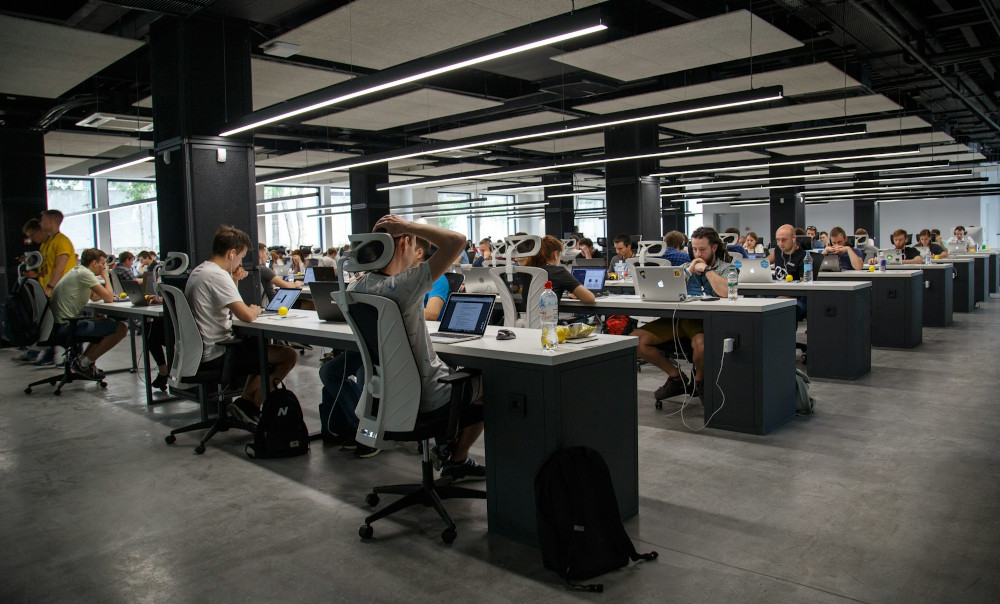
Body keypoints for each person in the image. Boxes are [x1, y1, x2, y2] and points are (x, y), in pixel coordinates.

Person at [349, 215, 486, 481]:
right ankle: (457, 459)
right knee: (492, 382)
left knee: (454, 373)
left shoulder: (357, 287)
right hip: (429, 397)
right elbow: (457, 241)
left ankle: (447, 445)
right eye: (413, 242)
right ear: (404, 244)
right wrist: (407, 226)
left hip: (387, 397)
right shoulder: (402, 285)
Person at [186, 226, 298, 426]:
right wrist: (255, 310)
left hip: (201, 351)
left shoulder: (201, 271)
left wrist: (234, 279)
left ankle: (245, 405)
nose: (240, 262)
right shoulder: (217, 276)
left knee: (257, 349)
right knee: (288, 355)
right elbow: (245, 315)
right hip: (217, 352)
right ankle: (250, 405)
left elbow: (227, 302)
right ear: (231, 253)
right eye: (241, 257)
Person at [633, 227, 732, 402]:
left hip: (705, 321)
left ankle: (700, 381)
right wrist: (689, 271)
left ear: (714, 247)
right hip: (680, 319)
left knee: (701, 345)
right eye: (695, 249)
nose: (698, 254)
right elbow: (667, 290)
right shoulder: (686, 267)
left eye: (702, 249)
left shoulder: (726, 268)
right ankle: (676, 377)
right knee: (636, 339)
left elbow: (726, 292)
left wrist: (707, 269)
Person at [49, 249, 129, 379]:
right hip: (66, 327)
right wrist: (106, 276)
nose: (104, 267)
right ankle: (84, 363)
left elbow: (94, 297)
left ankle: (83, 362)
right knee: (121, 328)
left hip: (60, 325)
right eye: (102, 263)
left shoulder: (78, 271)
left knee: (105, 325)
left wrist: (105, 293)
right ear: (94, 263)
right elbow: (108, 298)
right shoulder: (85, 274)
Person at [521, 235, 596, 304]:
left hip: (526, 314)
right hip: (549, 314)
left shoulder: (528, 271)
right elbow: (589, 298)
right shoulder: (558, 272)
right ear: (556, 254)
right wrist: (578, 294)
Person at [767, 224, 809, 320]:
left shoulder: (803, 257)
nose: (780, 243)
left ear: (794, 238)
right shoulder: (778, 250)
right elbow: (764, 263)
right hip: (778, 292)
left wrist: (784, 296)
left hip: (795, 297)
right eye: (778, 240)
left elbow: (803, 287)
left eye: (784, 240)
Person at [38, 209, 76, 298]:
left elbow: (60, 267)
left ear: (50, 221)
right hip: (53, 292)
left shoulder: (62, 241)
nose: (40, 223)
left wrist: (49, 288)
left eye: (42, 220)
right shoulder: (50, 241)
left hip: (62, 292)